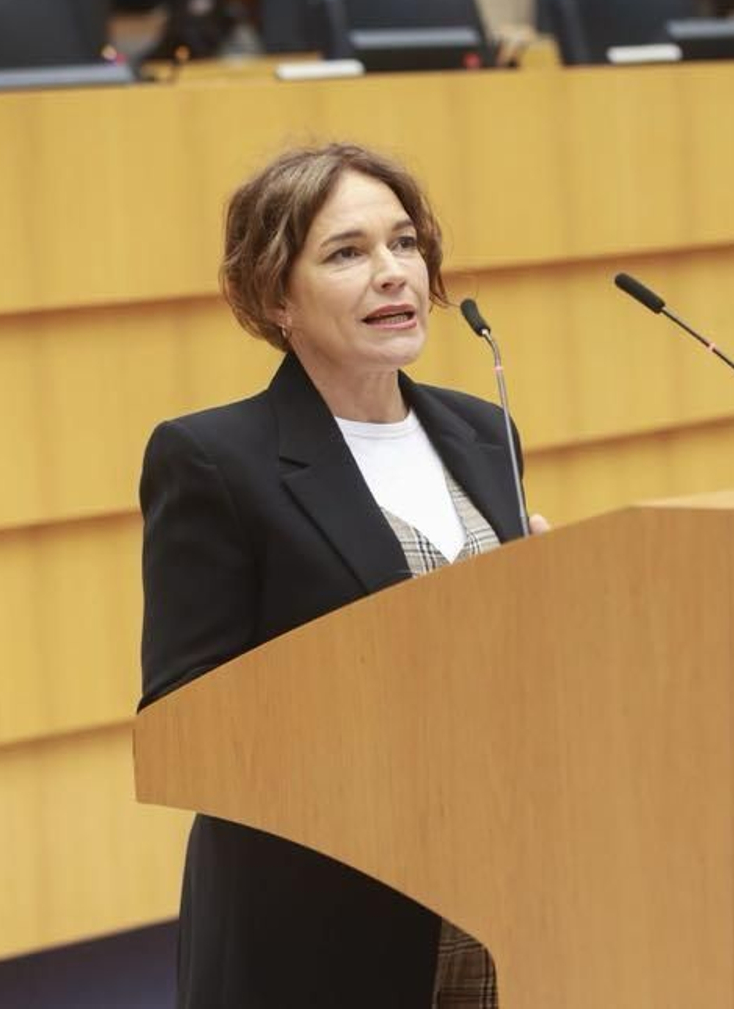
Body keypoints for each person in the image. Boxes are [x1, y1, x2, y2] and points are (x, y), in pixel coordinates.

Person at [140, 143, 536, 1005]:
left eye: (405, 242)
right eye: (347, 252)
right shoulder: (214, 459)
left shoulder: (482, 432)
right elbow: (183, 720)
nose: (393, 272)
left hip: (497, 901)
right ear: (274, 297)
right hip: (322, 920)